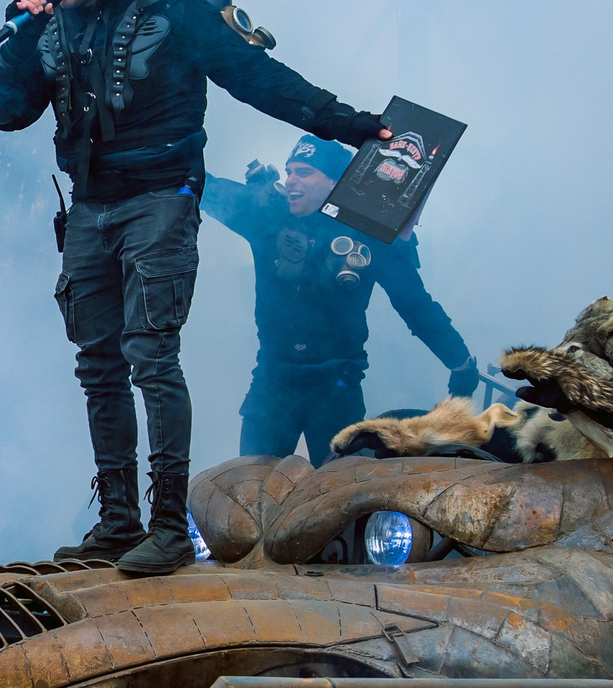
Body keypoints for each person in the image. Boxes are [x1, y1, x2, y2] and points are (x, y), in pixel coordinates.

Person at [0, 0, 392, 576]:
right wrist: (25, 33)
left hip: (160, 199)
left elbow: (262, 81)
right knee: (97, 363)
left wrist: (349, 125)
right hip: (89, 207)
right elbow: (0, 111)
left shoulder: (173, 8)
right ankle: (118, 522)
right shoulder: (50, 24)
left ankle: (168, 527)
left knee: (150, 353)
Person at [203, 137, 478, 463]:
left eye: (304, 173)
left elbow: (416, 306)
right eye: (289, 172)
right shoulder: (268, 213)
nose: (291, 180)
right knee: (249, 492)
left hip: (336, 387)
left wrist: (460, 362)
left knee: (335, 499)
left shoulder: (370, 232)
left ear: (335, 182)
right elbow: (205, 187)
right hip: (272, 383)